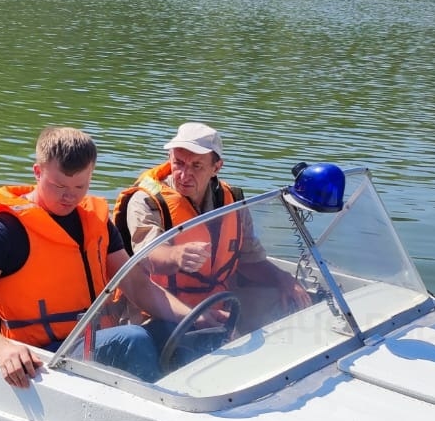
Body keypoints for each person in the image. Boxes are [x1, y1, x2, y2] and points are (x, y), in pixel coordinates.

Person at [0, 126, 168, 388]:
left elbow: (137, 284)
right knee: (133, 339)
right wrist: (1, 348)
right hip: (44, 356)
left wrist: (192, 318)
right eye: (59, 185)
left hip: (93, 340)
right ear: (38, 172)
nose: (70, 196)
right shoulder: (3, 230)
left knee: (171, 330)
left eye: (80, 185)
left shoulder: (94, 220)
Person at [113, 122, 310, 334]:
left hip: (219, 305)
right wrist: (176, 255)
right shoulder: (146, 201)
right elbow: (149, 255)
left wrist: (284, 279)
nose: (184, 174)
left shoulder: (232, 201)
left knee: (287, 300)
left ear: (216, 167)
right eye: (178, 163)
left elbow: (250, 261)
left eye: (196, 166)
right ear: (169, 158)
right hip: (158, 313)